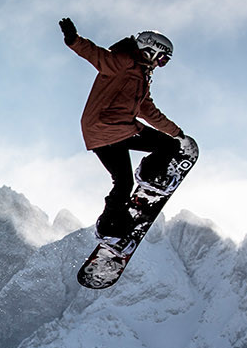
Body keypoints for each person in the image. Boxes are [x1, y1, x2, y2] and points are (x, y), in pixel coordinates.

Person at [59, 17, 185, 240]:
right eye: (163, 60)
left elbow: (147, 110)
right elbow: (97, 56)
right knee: (166, 146)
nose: (161, 65)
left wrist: (176, 131)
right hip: (110, 127)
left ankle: (109, 225)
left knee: (125, 181)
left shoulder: (142, 76)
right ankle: (149, 175)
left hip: (107, 131)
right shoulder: (123, 62)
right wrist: (73, 39)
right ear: (150, 50)